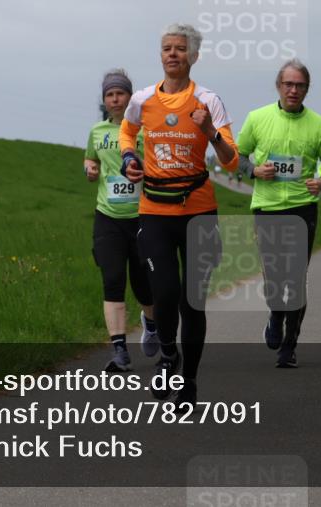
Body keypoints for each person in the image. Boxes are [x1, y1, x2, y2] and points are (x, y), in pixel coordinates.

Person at [120, 23, 239, 408]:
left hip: (199, 212)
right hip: (154, 210)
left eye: (180, 49)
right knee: (166, 293)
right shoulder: (142, 100)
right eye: (167, 48)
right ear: (160, 55)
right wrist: (128, 159)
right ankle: (168, 357)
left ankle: (189, 382)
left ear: (194, 56)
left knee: (193, 300)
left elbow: (232, 160)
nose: (173, 54)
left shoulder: (208, 100)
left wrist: (212, 133)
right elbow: (126, 132)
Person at [237, 59, 321, 367]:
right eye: (288, 84)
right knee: (273, 277)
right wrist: (254, 170)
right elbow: (237, 156)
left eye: (300, 85)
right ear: (278, 86)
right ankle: (275, 315)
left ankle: (289, 345)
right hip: (267, 208)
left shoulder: (320, 125)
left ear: (307, 89)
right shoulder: (257, 118)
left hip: (301, 208)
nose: (293, 90)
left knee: (295, 279)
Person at [84, 70, 158, 372]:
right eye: (109, 94)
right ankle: (119, 351)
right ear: (104, 100)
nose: (115, 99)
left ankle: (151, 324)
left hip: (143, 217)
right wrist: (89, 168)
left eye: (120, 93)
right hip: (108, 218)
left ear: (130, 97)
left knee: (144, 285)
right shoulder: (97, 131)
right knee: (112, 280)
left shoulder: (145, 129)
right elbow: (91, 159)